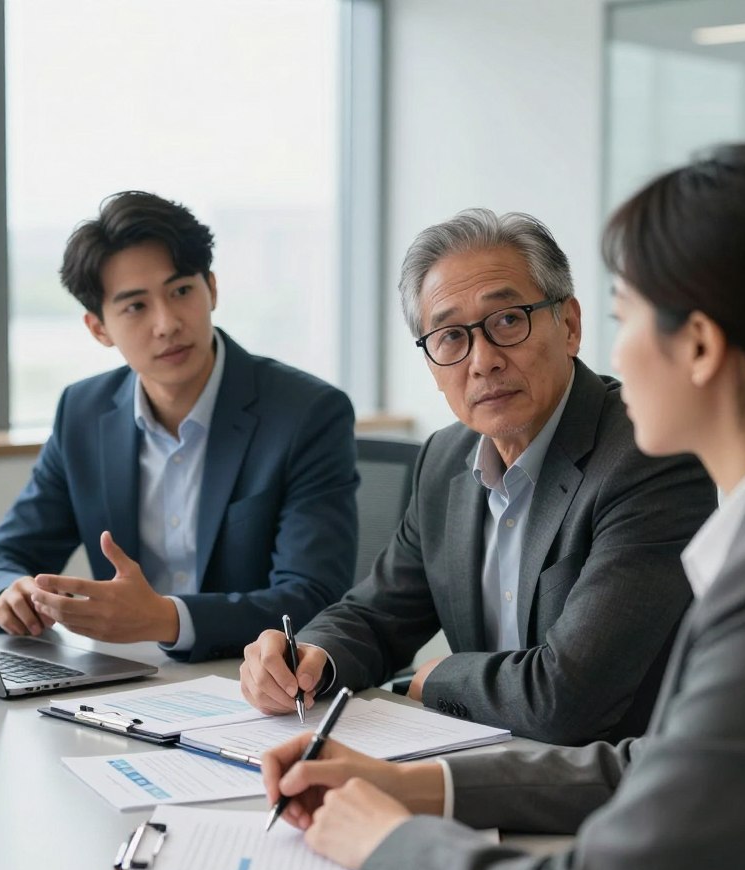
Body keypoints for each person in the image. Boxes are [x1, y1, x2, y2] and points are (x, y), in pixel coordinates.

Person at [261, 143, 745, 870]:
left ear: (696, 344)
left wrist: (390, 841)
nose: (483, 358)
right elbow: (655, 768)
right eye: (450, 338)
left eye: (619, 315)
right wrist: (423, 788)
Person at [242, 209, 716, 742]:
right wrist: (311, 658)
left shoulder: (648, 453)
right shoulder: (446, 457)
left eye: (509, 320)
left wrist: (435, 678)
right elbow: (379, 614)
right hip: (482, 764)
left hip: (611, 792)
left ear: (571, 326)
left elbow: (568, 698)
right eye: (450, 337)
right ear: (431, 362)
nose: (483, 360)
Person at [0, 191, 358, 662]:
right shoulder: (83, 412)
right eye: (135, 307)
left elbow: (313, 598)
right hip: (123, 679)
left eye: (181, 291)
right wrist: (8, 594)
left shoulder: (306, 413)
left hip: (252, 684)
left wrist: (166, 619)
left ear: (211, 288)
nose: (167, 323)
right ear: (99, 328)